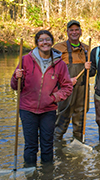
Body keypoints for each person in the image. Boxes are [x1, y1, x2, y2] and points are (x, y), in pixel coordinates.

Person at [11, 30, 73, 167]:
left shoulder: (60, 64)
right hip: (27, 109)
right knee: (30, 145)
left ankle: (47, 176)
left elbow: (67, 87)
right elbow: (15, 86)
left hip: (48, 110)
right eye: (41, 40)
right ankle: (30, 175)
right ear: (37, 43)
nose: (45, 42)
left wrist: (55, 97)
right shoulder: (25, 60)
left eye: (48, 39)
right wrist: (16, 77)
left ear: (52, 42)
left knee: (47, 145)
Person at [53, 20, 90, 142]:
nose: (74, 32)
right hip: (64, 90)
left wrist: (90, 67)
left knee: (80, 123)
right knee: (61, 121)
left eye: (76, 30)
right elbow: (51, 71)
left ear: (80, 32)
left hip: (82, 91)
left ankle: (78, 146)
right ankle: (56, 149)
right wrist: (67, 80)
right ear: (67, 32)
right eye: (71, 30)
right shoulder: (58, 48)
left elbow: (93, 72)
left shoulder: (86, 49)